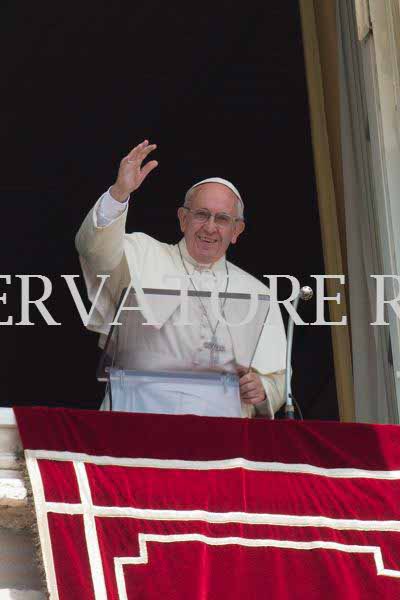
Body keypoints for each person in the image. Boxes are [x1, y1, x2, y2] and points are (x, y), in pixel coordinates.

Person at [75, 140, 286, 418]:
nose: (210, 227)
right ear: (183, 219)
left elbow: (277, 379)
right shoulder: (143, 253)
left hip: (221, 425)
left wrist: (263, 389)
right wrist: (119, 194)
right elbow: (95, 250)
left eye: (222, 219)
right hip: (137, 411)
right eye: (201, 215)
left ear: (236, 231)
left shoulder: (257, 292)